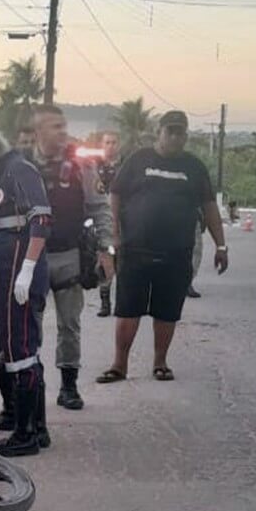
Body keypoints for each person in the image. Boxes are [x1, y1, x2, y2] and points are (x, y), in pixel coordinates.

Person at [97, 111, 229, 384]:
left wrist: (222, 246)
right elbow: (116, 195)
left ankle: (160, 362)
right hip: (135, 250)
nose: (175, 137)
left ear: (186, 135)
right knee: (127, 310)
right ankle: (119, 364)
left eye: (180, 132)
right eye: (170, 131)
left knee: (167, 312)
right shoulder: (138, 160)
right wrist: (114, 234)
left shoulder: (194, 167)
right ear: (159, 131)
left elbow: (209, 206)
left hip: (176, 253)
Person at [31, 105, 113, 412]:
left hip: (69, 255)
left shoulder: (81, 165)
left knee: (69, 325)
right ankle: (29, 389)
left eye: (63, 125)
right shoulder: (22, 165)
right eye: (54, 126)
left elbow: (99, 208)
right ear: (38, 132)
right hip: (32, 259)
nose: (62, 131)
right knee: (29, 327)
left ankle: (68, 387)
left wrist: (107, 250)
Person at [0, 122, 51, 456]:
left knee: (21, 350)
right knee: (9, 346)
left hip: (18, 266)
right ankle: (25, 420)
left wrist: (29, 268)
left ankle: (27, 434)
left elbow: (41, 219)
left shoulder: (20, 169)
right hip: (3, 267)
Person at [96, 131, 124, 318]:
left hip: (123, 220)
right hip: (102, 220)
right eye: (107, 142)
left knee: (122, 261)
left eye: (114, 142)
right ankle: (105, 302)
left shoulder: (126, 167)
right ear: (102, 145)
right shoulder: (94, 166)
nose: (111, 146)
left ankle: (122, 302)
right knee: (104, 259)